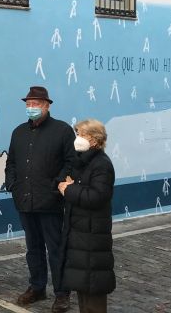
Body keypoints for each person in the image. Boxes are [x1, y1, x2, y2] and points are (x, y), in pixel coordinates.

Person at [5, 86, 75, 313]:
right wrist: (12, 185)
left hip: (50, 201)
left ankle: (62, 294)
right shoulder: (18, 132)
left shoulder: (62, 130)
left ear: (47, 105)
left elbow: (71, 162)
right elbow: (11, 163)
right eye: (28, 104)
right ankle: (37, 287)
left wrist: (56, 185)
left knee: (56, 249)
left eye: (35, 104)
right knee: (33, 248)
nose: (31, 107)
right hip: (25, 200)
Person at [58, 119, 116, 313]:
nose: (78, 138)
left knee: (93, 288)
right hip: (81, 233)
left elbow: (97, 196)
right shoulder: (83, 161)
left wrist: (69, 189)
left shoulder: (102, 164)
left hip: (92, 235)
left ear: (95, 140)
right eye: (78, 134)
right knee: (83, 285)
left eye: (83, 134)